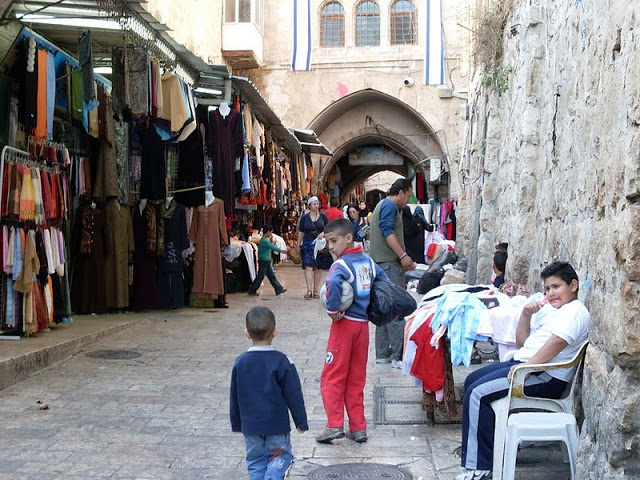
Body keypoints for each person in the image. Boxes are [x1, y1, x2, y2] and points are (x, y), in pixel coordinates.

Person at [456, 261, 590, 480]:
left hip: (544, 377)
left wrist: (527, 368)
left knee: (478, 394)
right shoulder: (554, 311)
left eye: (556, 287)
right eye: (547, 288)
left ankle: (480, 467)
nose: (551, 293)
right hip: (526, 366)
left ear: (573, 285)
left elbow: (558, 343)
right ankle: (491, 448)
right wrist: (526, 314)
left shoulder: (575, 312)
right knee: (472, 380)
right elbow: (522, 343)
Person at [315, 218, 389, 444]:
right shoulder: (368, 262)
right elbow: (384, 281)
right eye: (328, 242)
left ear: (348, 238)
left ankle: (334, 424)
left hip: (344, 325)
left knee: (333, 375)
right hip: (362, 327)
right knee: (356, 378)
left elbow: (333, 284)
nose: (330, 247)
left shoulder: (341, 265)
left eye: (333, 241)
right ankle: (358, 427)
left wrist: (333, 309)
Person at [230, 306, 309, 480]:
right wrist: (300, 421)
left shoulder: (240, 363)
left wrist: (236, 423)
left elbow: (234, 395)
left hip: (251, 426)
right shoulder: (283, 361)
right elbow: (294, 394)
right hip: (276, 426)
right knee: (280, 457)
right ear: (275, 332)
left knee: (255, 461)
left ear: (247, 333)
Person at [368, 177, 416, 369]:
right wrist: (403, 256)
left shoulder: (381, 205)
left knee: (383, 307)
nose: (408, 200)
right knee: (396, 308)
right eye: (408, 196)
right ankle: (398, 355)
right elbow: (388, 233)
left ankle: (382, 353)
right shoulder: (390, 206)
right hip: (389, 264)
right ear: (401, 192)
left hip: (379, 264)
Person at [296, 196, 331, 299]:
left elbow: (329, 228)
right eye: (314, 204)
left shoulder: (323, 216)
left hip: (320, 245)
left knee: (318, 267)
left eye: (317, 204)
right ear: (309, 205)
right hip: (308, 244)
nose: (316, 206)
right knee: (308, 266)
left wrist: (323, 233)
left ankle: (316, 290)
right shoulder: (305, 218)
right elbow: (301, 232)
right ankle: (309, 290)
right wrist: (298, 245)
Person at [247, 225, 288, 296]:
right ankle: (252, 290)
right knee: (261, 276)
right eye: (271, 232)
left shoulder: (264, 240)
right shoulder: (264, 241)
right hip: (264, 261)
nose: (271, 234)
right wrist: (282, 251)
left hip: (266, 261)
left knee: (271, 276)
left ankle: (278, 288)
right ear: (268, 232)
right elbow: (273, 247)